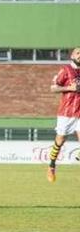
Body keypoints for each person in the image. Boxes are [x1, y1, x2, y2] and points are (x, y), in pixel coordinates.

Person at [46, 47, 80, 182]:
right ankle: (51, 166)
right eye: (78, 53)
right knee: (60, 140)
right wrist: (69, 88)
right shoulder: (65, 70)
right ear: (72, 55)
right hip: (66, 113)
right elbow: (53, 88)